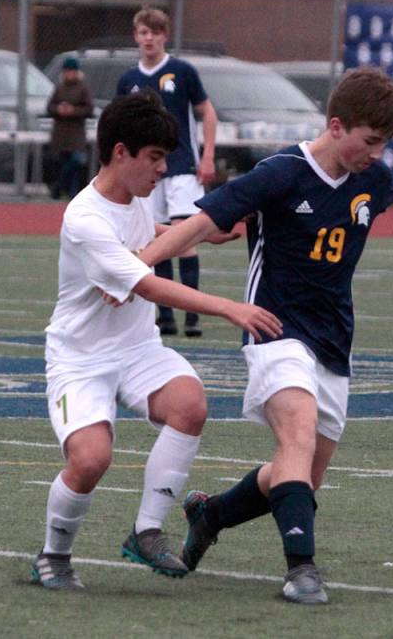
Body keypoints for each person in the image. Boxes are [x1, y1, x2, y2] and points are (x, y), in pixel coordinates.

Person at [135, 67, 393, 604]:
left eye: (385, 144)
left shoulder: (369, 178)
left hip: (334, 341)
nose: (377, 153)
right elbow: (201, 223)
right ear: (337, 126)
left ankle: (211, 514)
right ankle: (302, 569)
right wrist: (141, 264)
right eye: (371, 141)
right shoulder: (282, 172)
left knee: (302, 477)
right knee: (297, 437)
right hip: (275, 329)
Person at [30, 91, 281, 591]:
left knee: (190, 404)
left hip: (137, 348)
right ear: (120, 152)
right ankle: (53, 556)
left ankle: (146, 530)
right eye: (155, 157)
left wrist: (199, 232)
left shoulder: (136, 197)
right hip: (80, 359)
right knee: (91, 459)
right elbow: (145, 281)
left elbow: (148, 237)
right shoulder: (84, 219)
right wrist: (230, 306)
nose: (163, 168)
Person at [117, 6, 218, 338]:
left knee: (183, 237)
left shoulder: (181, 71)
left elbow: (207, 112)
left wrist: (207, 156)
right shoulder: (129, 80)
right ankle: (165, 315)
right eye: (144, 33)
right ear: (136, 37)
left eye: (155, 32)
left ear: (164, 36)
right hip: (147, 175)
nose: (149, 38)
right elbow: (117, 126)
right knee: (152, 236)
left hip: (182, 168)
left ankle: (192, 315)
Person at [46, 56, 93, 200]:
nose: (69, 74)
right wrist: (59, 109)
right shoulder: (59, 89)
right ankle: (66, 190)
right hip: (60, 134)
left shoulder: (83, 89)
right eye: (67, 71)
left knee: (76, 162)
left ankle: (61, 187)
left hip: (76, 134)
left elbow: (88, 109)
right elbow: (49, 107)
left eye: (71, 71)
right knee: (62, 162)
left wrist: (73, 111)